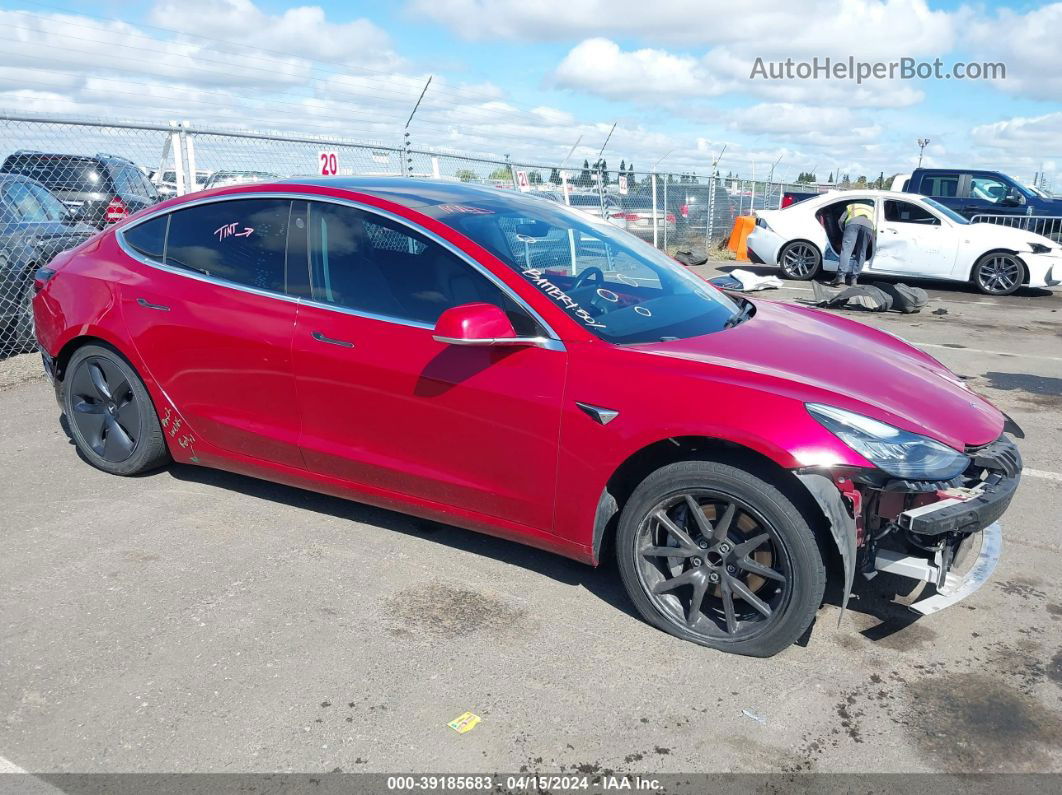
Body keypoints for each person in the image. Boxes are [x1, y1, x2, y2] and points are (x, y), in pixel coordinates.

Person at [828, 200, 874, 286]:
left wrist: (844, 231)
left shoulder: (851, 205)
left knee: (847, 250)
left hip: (852, 224)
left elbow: (840, 221)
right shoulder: (872, 209)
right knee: (862, 252)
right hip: (868, 226)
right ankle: (854, 279)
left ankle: (841, 277)